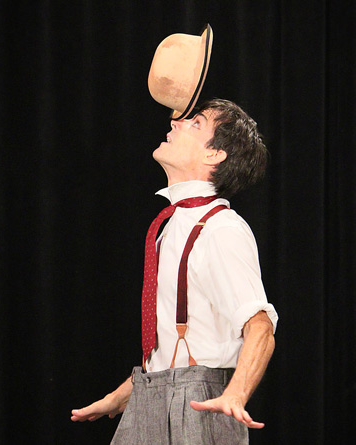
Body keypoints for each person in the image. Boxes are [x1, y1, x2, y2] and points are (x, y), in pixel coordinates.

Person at [71, 98, 278, 444]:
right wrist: (127, 393)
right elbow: (171, 343)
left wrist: (236, 394)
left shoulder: (220, 229)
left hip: (197, 403)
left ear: (215, 155)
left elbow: (260, 326)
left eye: (196, 123)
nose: (175, 123)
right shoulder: (170, 225)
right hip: (150, 396)